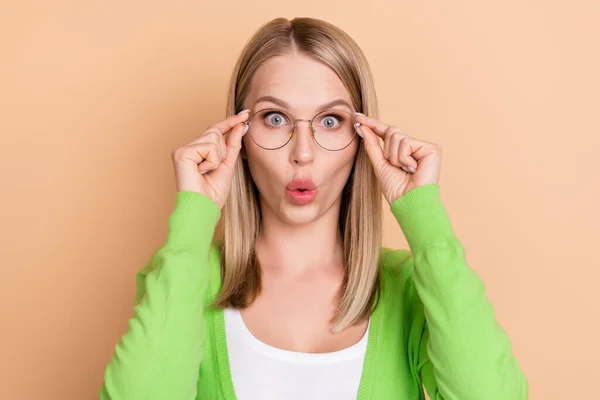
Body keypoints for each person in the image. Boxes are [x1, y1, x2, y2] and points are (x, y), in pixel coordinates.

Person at [99, 17, 528, 400]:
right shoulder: (185, 276)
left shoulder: (412, 290)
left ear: (363, 139)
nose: (302, 153)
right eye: (274, 118)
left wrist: (425, 219)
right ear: (239, 139)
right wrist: (192, 221)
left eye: (329, 121)